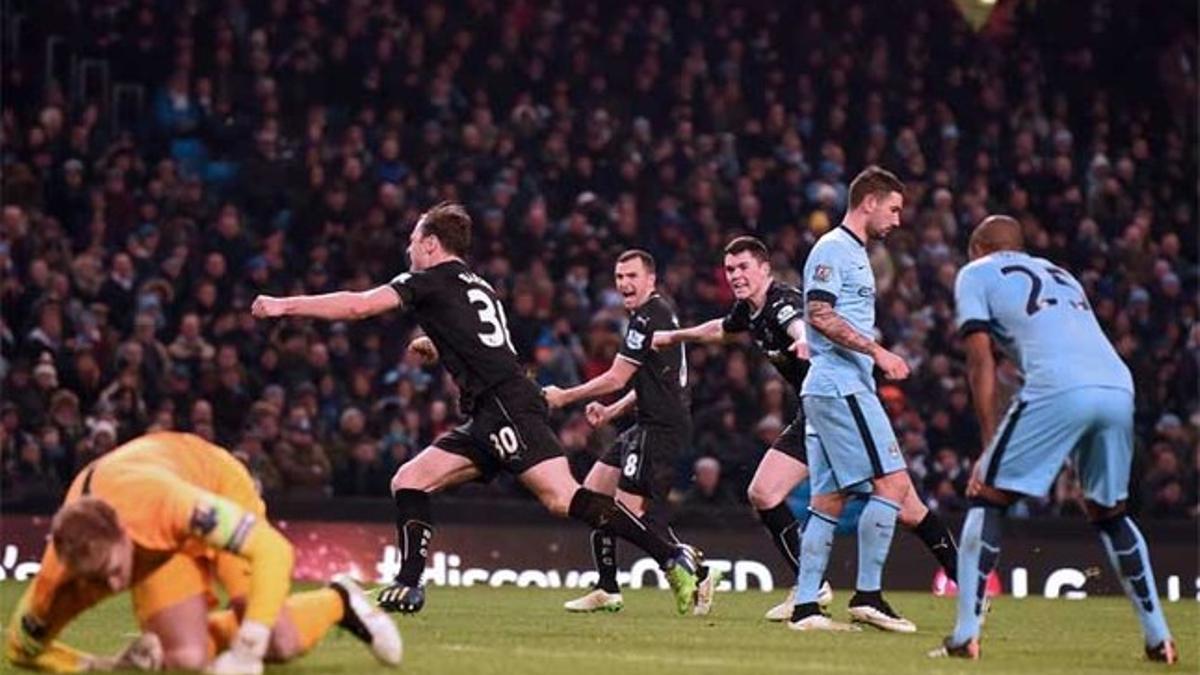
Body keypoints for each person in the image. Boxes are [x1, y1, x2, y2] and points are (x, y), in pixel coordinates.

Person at [251, 202, 702, 616]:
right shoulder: (477, 283)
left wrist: (284, 305)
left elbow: (359, 306)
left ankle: (671, 556)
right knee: (409, 479)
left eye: (413, 240)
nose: (408, 248)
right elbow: (485, 342)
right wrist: (439, 345)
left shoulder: (428, 279)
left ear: (430, 244)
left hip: (506, 406)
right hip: (489, 410)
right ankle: (409, 584)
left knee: (562, 497)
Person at [654, 235, 959, 622]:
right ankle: (810, 588)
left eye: (743, 267)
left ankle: (963, 579)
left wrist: (802, 342)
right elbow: (722, 328)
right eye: (730, 269)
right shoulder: (749, 311)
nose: (735, 275)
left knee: (907, 506)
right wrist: (675, 336)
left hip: (840, 404)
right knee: (764, 492)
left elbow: (798, 323)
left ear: (764, 269)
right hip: (814, 413)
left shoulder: (780, 301)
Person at [930, 215, 1176, 663]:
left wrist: (988, 446)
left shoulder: (976, 272)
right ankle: (1158, 636)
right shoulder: (1062, 275)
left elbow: (980, 362)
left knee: (987, 497)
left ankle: (965, 634)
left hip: (1058, 386)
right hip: (1118, 385)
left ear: (980, 248)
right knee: (1109, 512)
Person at [4, 432, 400, 674]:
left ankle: (339, 601)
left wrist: (249, 644)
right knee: (187, 659)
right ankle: (169, 645)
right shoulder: (57, 579)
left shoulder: (170, 505)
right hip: (158, 529)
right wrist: (97, 666)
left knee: (280, 643)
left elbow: (272, 550)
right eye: (96, 580)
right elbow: (21, 652)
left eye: (112, 570)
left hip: (210, 482)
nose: (112, 586)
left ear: (124, 535)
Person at [543, 250, 717, 615]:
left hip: (661, 428)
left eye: (632, 276)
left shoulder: (647, 318)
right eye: (619, 277)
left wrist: (565, 396)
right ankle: (607, 587)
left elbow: (616, 376)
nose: (624, 283)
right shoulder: (653, 314)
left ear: (650, 280)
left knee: (629, 513)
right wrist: (611, 410)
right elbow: (645, 382)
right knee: (593, 494)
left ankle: (694, 570)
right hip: (646, 421)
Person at [787, 166, 917, 632]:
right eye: (894, 208)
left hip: (827, 387)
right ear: (869, 202)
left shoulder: (855, 252)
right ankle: (868, 596)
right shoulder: (833, 248)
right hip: (842, 384)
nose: (898, 220)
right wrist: (877, 350)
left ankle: (805, 608)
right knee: (894, 485)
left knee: (828, 500)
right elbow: (818, 313)